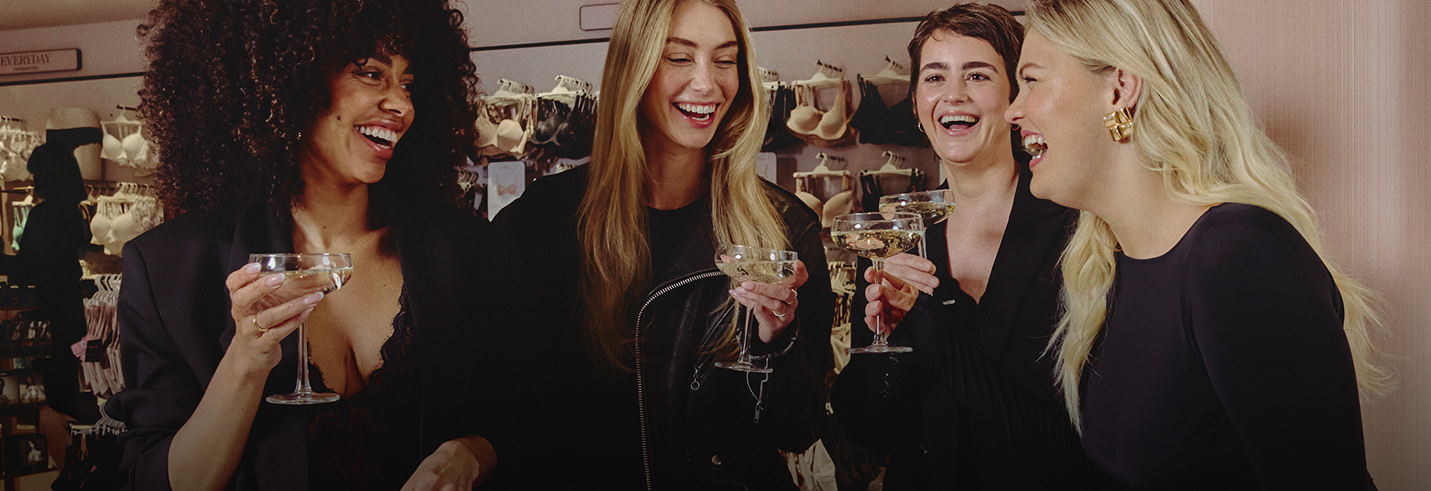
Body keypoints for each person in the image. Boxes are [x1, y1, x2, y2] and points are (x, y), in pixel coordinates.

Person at [868, 0, 1394, 489]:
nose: (1013, 110)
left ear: (1120, 90)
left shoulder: (1236, 256)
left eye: (1030, 81)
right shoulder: (1105, 264)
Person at [104, 0, 522, 490]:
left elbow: (523, 418)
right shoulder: (168, 269)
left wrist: (469, 454)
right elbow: (159, 480)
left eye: (407, 83)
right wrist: (246, 360)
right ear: (289, 79)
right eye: (372, 74)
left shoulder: (468, 249)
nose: (402, 106)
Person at [495, 0, 832, 488]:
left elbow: (797, 430)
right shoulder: (542, 221)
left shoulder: (785, 229)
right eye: (679, 58)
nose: (707, 83)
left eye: (725, 59)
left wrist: (776, 341)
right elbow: (506, 411)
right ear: (633, 69)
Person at [830, 4, 1090, 489]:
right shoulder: (894, 241)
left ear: (1015, 97)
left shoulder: (1077, 231)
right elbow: (871, 431)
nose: (953, 95)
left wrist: (936, 334)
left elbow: (1082, 447)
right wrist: (889, 348)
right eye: (934, 77)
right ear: (915, 103)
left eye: (977, 75)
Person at [0, 142, 93, 420]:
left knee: (47, 396)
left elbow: (30, 268)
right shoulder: (74, 212)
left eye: (38, 175)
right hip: (68, 312)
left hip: (48, 316)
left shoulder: (44, 215)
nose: (35, 182)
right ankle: (68, 443)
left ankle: (56, 443)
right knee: (64, 390)